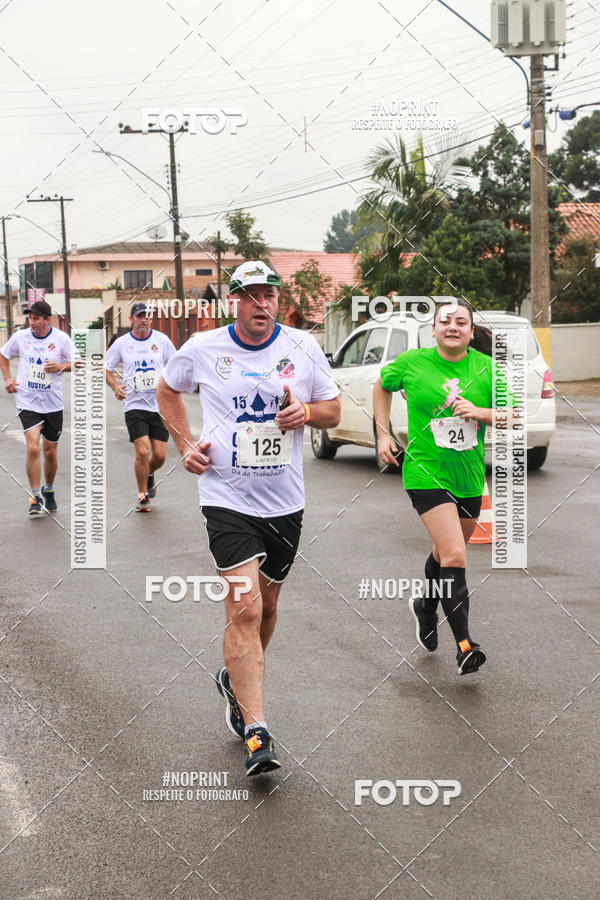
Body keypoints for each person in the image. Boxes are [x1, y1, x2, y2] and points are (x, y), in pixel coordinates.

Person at [157, 261, 340, 775]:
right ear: (233, 301)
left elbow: (333, 410)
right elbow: (167, 390)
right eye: (250, 295)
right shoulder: (204, 348)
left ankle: (234, 680)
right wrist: (186, 443)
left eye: (269, 295)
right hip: (225, 496)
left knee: (269, 605)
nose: (261, 304)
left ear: (278, 301)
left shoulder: (302, 347)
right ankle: (257, 730)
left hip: (285, 501)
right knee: (245, 609)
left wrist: (305, 412)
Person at [373, 298, 513, 675]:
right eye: (445, 321)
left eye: (461, 322)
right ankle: (465, 646)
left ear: (470, 331)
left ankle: (426, 605)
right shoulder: (412, 363)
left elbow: (512, 415)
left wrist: (479, 412)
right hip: (425, 473)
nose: (453, 326)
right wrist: (383, 435)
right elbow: (381, 386)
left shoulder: (487, 369)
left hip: (467, 476)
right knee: (455, 555)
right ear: (433, 329)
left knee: (444, 551)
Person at [0, 300, 76, 516]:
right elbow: (3, 355)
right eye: (30, 318)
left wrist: (61, 366)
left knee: (50, 451)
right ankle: (35, 496)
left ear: (47, 320)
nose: (31, 322)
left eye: (36, 318)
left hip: (53, 403)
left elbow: (77, 362)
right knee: (33, 447)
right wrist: (7, 379)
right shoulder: (20, 337)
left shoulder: (61, 339)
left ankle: (48, 489)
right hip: (27, 401)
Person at [105, 302, 176, 512]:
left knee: (160, 456)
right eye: (139, 316)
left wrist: (172, 387)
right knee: (143, 451)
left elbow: (175, 365)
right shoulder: (121, 343)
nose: (143, 319)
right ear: (132, 319)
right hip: (134, 405)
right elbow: (107, 369)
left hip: (160, 406)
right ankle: (142, 495)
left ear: (150, 319)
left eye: (146, 316)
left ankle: (149, 474)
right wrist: (115, 387)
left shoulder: (162, 341)